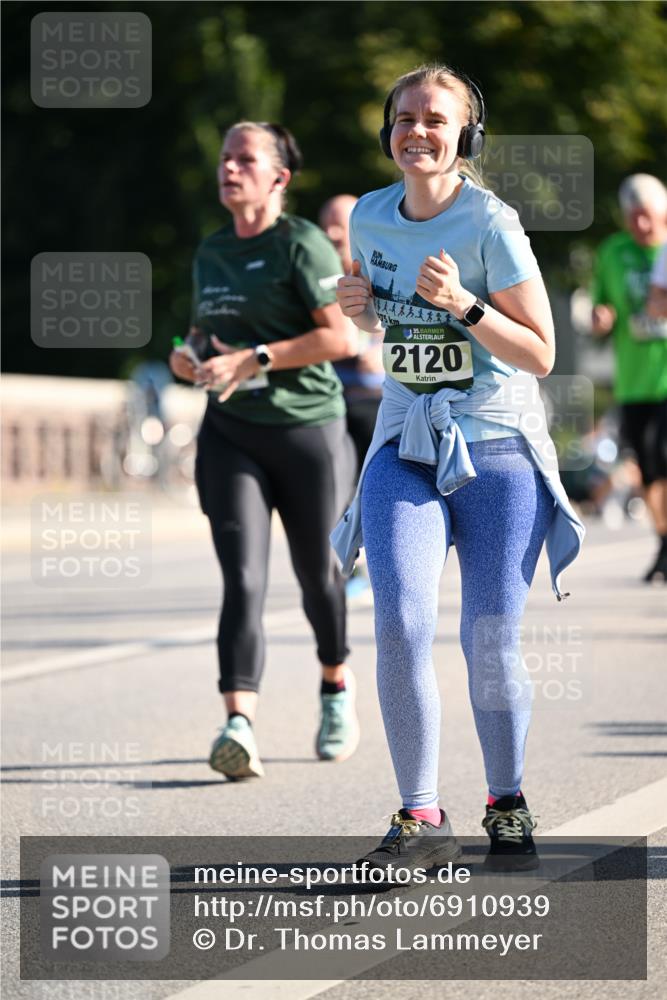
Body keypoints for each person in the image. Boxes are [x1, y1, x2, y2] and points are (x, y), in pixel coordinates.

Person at [332, 64, 584, 872]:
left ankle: (504, 800)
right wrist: (364, 309)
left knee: (488, 639)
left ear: (464, 135)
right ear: (387, 131)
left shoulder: (491, 223)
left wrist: (467, 309)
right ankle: (419, 817)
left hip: (496, 447)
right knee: (401, 624)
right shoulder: (369, 217)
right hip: (405, 438)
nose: (418, 131)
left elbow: (540, 353)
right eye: (404, 117)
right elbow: (389, 325)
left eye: (435, 119)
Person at [169, 121, 359, 780]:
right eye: (224, 157)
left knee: (317, 578)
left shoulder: (302, 245)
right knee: (242, 579)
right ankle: (238, 723)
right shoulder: (211, 252)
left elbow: (340, 340)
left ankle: (335, 687)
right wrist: (188, 356)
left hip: (307, 432)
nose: (229, 168)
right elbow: (203, 332)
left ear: (277, 176)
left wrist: (255, 360)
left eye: (244, 159)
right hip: (231, 434)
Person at [591, 174, 667, 582]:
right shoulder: (612, 252)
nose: (640, 226)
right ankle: (663, 540)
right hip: (635, 380)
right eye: (633, 217)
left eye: (648, 217)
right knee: (651, 468)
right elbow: (601, 305)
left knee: (665, 455)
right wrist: (601, 318)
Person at [319, 195, 385, 596]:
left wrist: (382, 355)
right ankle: (346, 567)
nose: (331, 233)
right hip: (330, 401)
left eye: (340, 224)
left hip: (377, 402)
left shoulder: (383, 264)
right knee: (334, 487)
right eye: (325, 223)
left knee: (373, 488)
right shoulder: (314, 279)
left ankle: (381, 564)